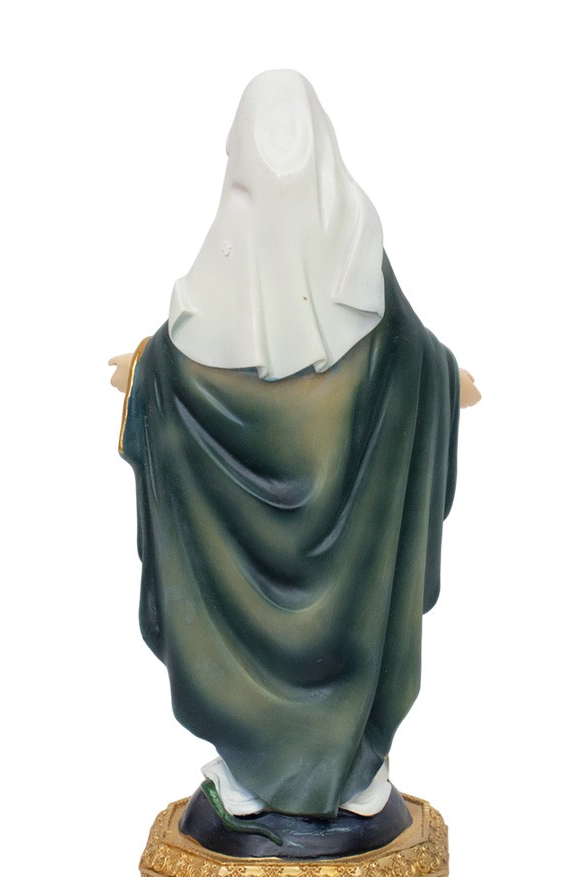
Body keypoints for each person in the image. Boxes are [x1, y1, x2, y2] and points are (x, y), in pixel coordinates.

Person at [111, 71, 479, 835]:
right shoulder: (353, 249)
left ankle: (312, 765)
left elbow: (187, 368)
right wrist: (442, 384)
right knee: (357, 622)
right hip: (352, 567)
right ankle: (299, 765)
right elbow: (410, 360)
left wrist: (147, 373)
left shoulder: (317, 245)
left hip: (322, 551)